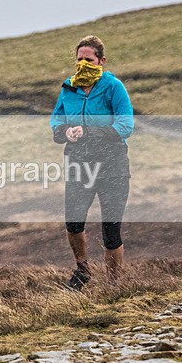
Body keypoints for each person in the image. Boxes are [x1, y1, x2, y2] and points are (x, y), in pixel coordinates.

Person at [50, 35, 134, 290]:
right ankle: (82, 269)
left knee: (111, 230)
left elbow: (126, 125)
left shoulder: (113, 87)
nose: (82, 64)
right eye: (79, 59)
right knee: (73, 223)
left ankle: (114, 285)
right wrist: (66, 132)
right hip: (79, 165)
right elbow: (56, 121)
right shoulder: (68, 88)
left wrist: (90, 132)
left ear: (101, 61)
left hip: (113, 166)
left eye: (88, 59)